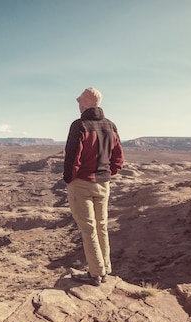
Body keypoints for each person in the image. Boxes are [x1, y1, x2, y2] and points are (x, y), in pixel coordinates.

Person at [63, 87, 124, 286]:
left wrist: (69, 179)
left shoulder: (79, 125)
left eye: (80, 101)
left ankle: (95, 274)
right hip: (103, 183)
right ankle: (104, 269)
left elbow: (73, 157)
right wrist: (107, 174)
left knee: (89, 228)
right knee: (102, 227)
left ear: (85, 104)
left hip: (82, 183)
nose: (78, 104)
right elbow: (118, 157)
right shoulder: (111, 125)